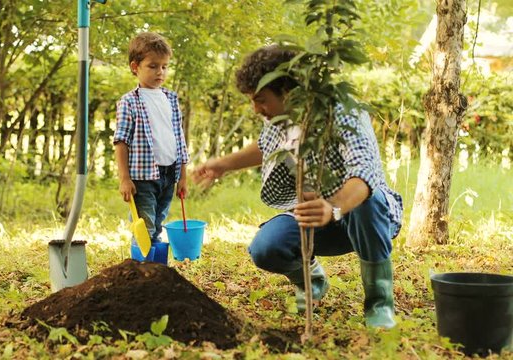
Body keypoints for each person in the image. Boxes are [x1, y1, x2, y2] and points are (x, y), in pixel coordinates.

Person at [192, 45, 403, 329]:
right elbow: (267, 147)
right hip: (315, 217)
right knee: (267, 248)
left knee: (370, 201)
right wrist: (224, 165)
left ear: (289, 91)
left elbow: (364, 171)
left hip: (362, 217)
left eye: (260, 99)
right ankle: (311, 278)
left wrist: (333, 206)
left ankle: (379, 303)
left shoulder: (342, 110)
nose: (256, 109)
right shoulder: (280, 118)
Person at [113, 32, 189, 260]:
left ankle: (154, 276)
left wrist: (182, 176)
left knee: (157, 225)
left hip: (168, 175)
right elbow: (121, 141)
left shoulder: (171, 99)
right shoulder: (129, 101)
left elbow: (179, 140)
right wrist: (124, 178)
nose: (160, 72)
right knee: (144, 228)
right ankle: (139, 272)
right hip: (143, 178)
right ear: (135, 67)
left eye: (165, 67)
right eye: (153, 66)